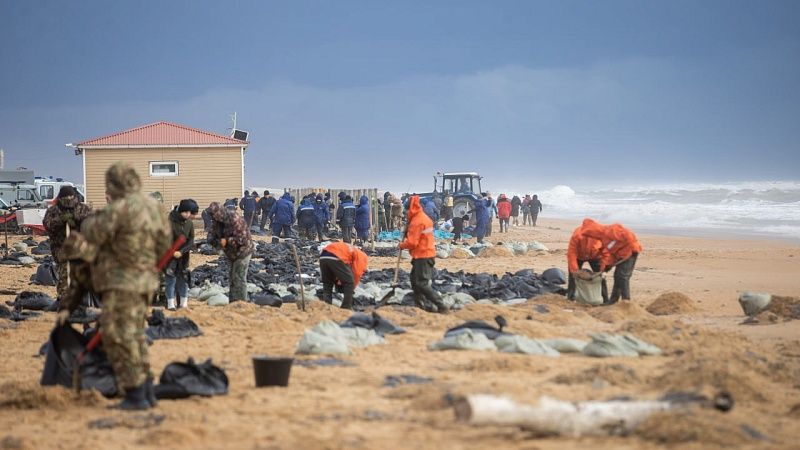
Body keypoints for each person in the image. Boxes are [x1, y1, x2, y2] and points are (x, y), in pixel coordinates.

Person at [75, 162, 171, 410]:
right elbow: (165, 243)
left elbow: (91, 233)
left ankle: (136, 393)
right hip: (146, 280)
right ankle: (146, 388)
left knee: (119, 335)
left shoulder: (119, 208)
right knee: (135, 333)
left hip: (122, 282)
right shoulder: (154, 207)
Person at [42, 186, 92, 307]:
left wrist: (78, 221)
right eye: (66, 197)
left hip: (80, 249)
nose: (68, 199)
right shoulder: (54, 211)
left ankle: (81, 301)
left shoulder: (82, 209)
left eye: (71, 196)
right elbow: (47, 225)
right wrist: (60, 221)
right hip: (61, 249)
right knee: (64, 275)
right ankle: (64, 300)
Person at [399, 196, 448, 314]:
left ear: (410, 208)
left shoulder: (417, 221)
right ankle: (421, 305)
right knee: (415, 281)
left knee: (421, 283)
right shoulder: (422, 218)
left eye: (406, 210)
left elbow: (412, 242)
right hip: (423, 254)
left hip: (423, 256)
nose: (405, 213)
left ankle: (440, 305)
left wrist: (402, 245)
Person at [583, 222, 642, 304]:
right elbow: (609, 253)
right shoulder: (604, 238)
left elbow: (627, 234)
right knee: (617, 276)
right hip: (620, 255)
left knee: (623, 277)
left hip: (631, 252)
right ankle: (613, 301)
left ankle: (626, 302)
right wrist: (606, 267)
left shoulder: (611, 231)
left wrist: (631, 248)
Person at [206, 202, 254, 302]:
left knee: (239, 278)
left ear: (220, 212)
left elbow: (242, 239)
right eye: (212, 215)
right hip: (231, 253)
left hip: (243, 252)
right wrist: (214, 241)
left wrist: (226, 241)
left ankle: (241, 302)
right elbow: (211, 234)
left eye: (215, 214)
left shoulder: (234, 219)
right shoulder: (217, 222)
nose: (214, 217)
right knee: (232, 277)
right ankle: (233, 301)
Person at [565, 218, 609, 303]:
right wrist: (575, 270)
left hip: (595, 256)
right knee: (572, 276)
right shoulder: (577, 235)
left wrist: (604, 270)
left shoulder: (601, 235)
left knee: (601, 277)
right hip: (579, 255)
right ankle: (570, 297)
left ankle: (606, 299)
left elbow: (606, 253)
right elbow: (571, 253)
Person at [319, 241, 369, 310]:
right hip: (336, 256)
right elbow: (356, 273)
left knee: (327, 283)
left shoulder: (350, 251)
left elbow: (339, 271)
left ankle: (327, 306)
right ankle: (346, 308)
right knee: (349, 283)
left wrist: (339, 282)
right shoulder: (362, 257)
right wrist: (351, 288)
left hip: (323, 256)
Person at [165, 199, 195, 310]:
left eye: (189, 212)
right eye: (185, 212)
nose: (188, 215)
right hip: (169, 257)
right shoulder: (169, 222)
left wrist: (181, 252)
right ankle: (170, 304)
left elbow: (191, 240)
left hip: (184, 257)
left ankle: (183, 304)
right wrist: (172, 252)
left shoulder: (189, 223)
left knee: (183, 279)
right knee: (170, 280)